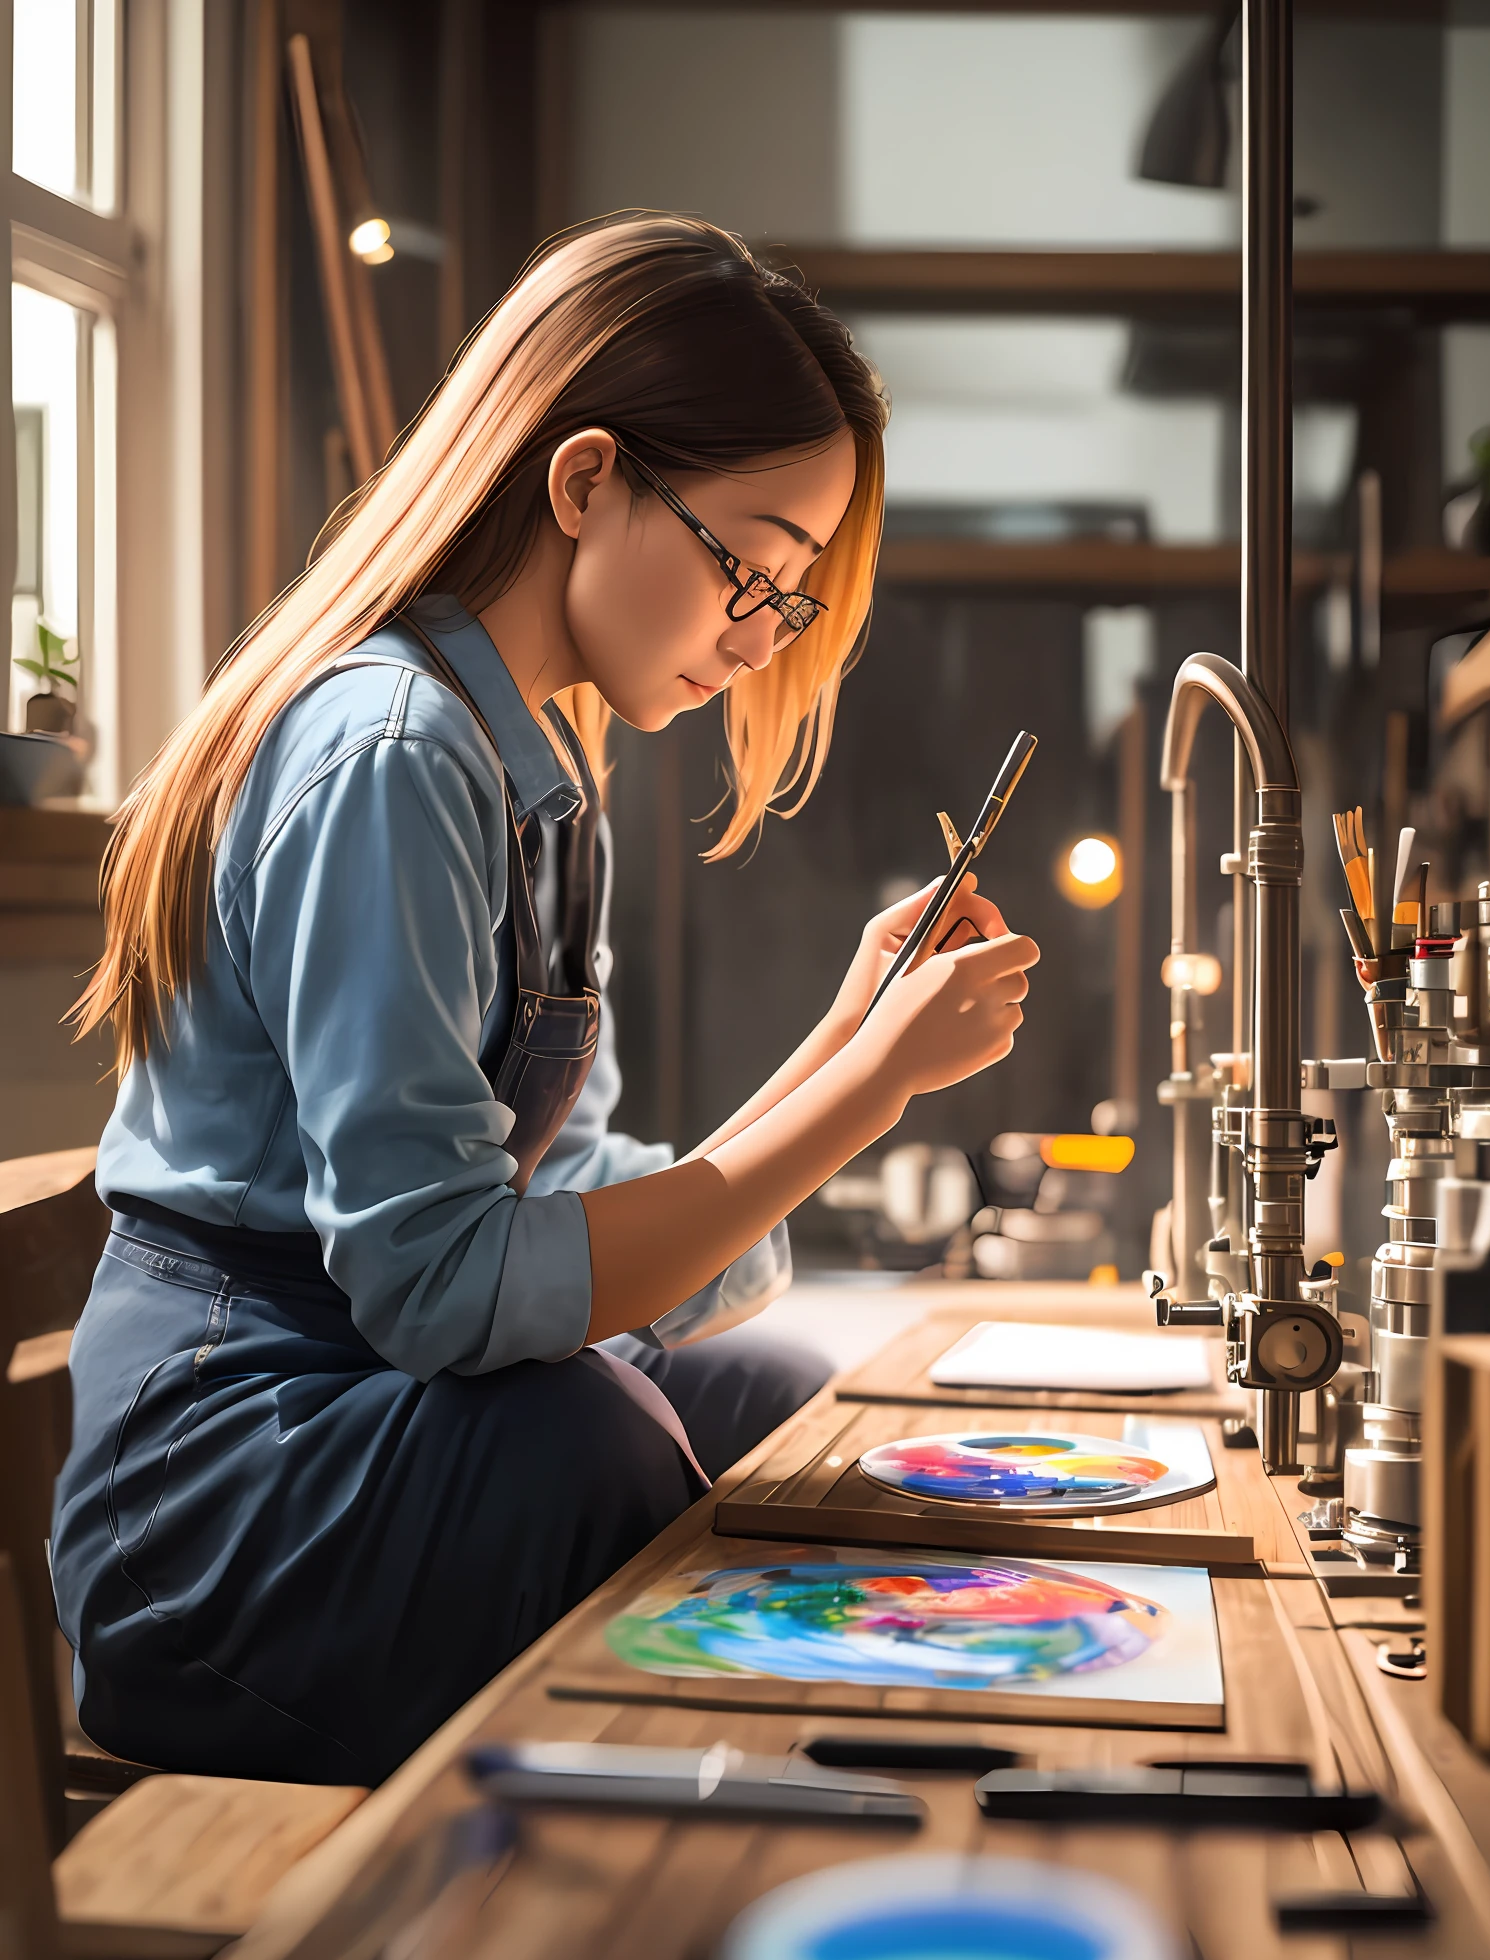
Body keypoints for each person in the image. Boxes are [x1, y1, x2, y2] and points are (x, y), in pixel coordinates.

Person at [51, 215, 1039, 1787]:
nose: (759, 634)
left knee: (768, 1392)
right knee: (590, 1438)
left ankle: (755, 1823)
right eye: (753, 569)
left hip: (366, 1402)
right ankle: (676, 1888)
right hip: (226, 1505)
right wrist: (869, 1096)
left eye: (790, 601)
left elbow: (558, 1204)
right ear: (586, 481)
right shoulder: (394, 752)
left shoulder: (540, 773)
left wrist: (848, 1040)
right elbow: (442, 1288)